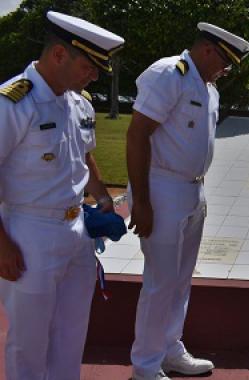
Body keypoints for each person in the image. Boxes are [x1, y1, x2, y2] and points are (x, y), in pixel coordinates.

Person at [0, 11, 123, 379]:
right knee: (29, 340)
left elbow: (83, 155)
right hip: (28, 232)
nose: (95, 76)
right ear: (58, 55)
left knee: (71, 334)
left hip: (77, 230)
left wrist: (102, 200)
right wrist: (1, 244)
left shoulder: (79, 102)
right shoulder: (12, 103)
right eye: (89, 66)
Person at [126, 22, 249, 380]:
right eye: (225, 62)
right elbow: (137, 137)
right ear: (208, 50)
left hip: (192, 191)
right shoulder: (169, 74)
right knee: (160, 282)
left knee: (180, 281)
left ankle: (170, 349)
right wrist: (142, 201)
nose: (225, 71)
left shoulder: (208, 88)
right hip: (161, 189)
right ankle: (145, 367)